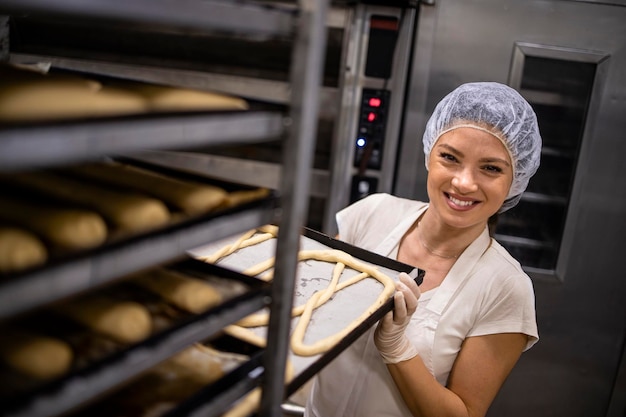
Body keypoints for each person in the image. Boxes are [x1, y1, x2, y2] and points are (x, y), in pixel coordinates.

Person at [305, 82, 542, 417]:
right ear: (429, 154)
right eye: (450, 157)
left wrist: (397, 348)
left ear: (515, 179)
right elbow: (310, 306)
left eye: (490, 168)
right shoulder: (373, 214)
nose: (464, 182)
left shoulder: (506, 288)